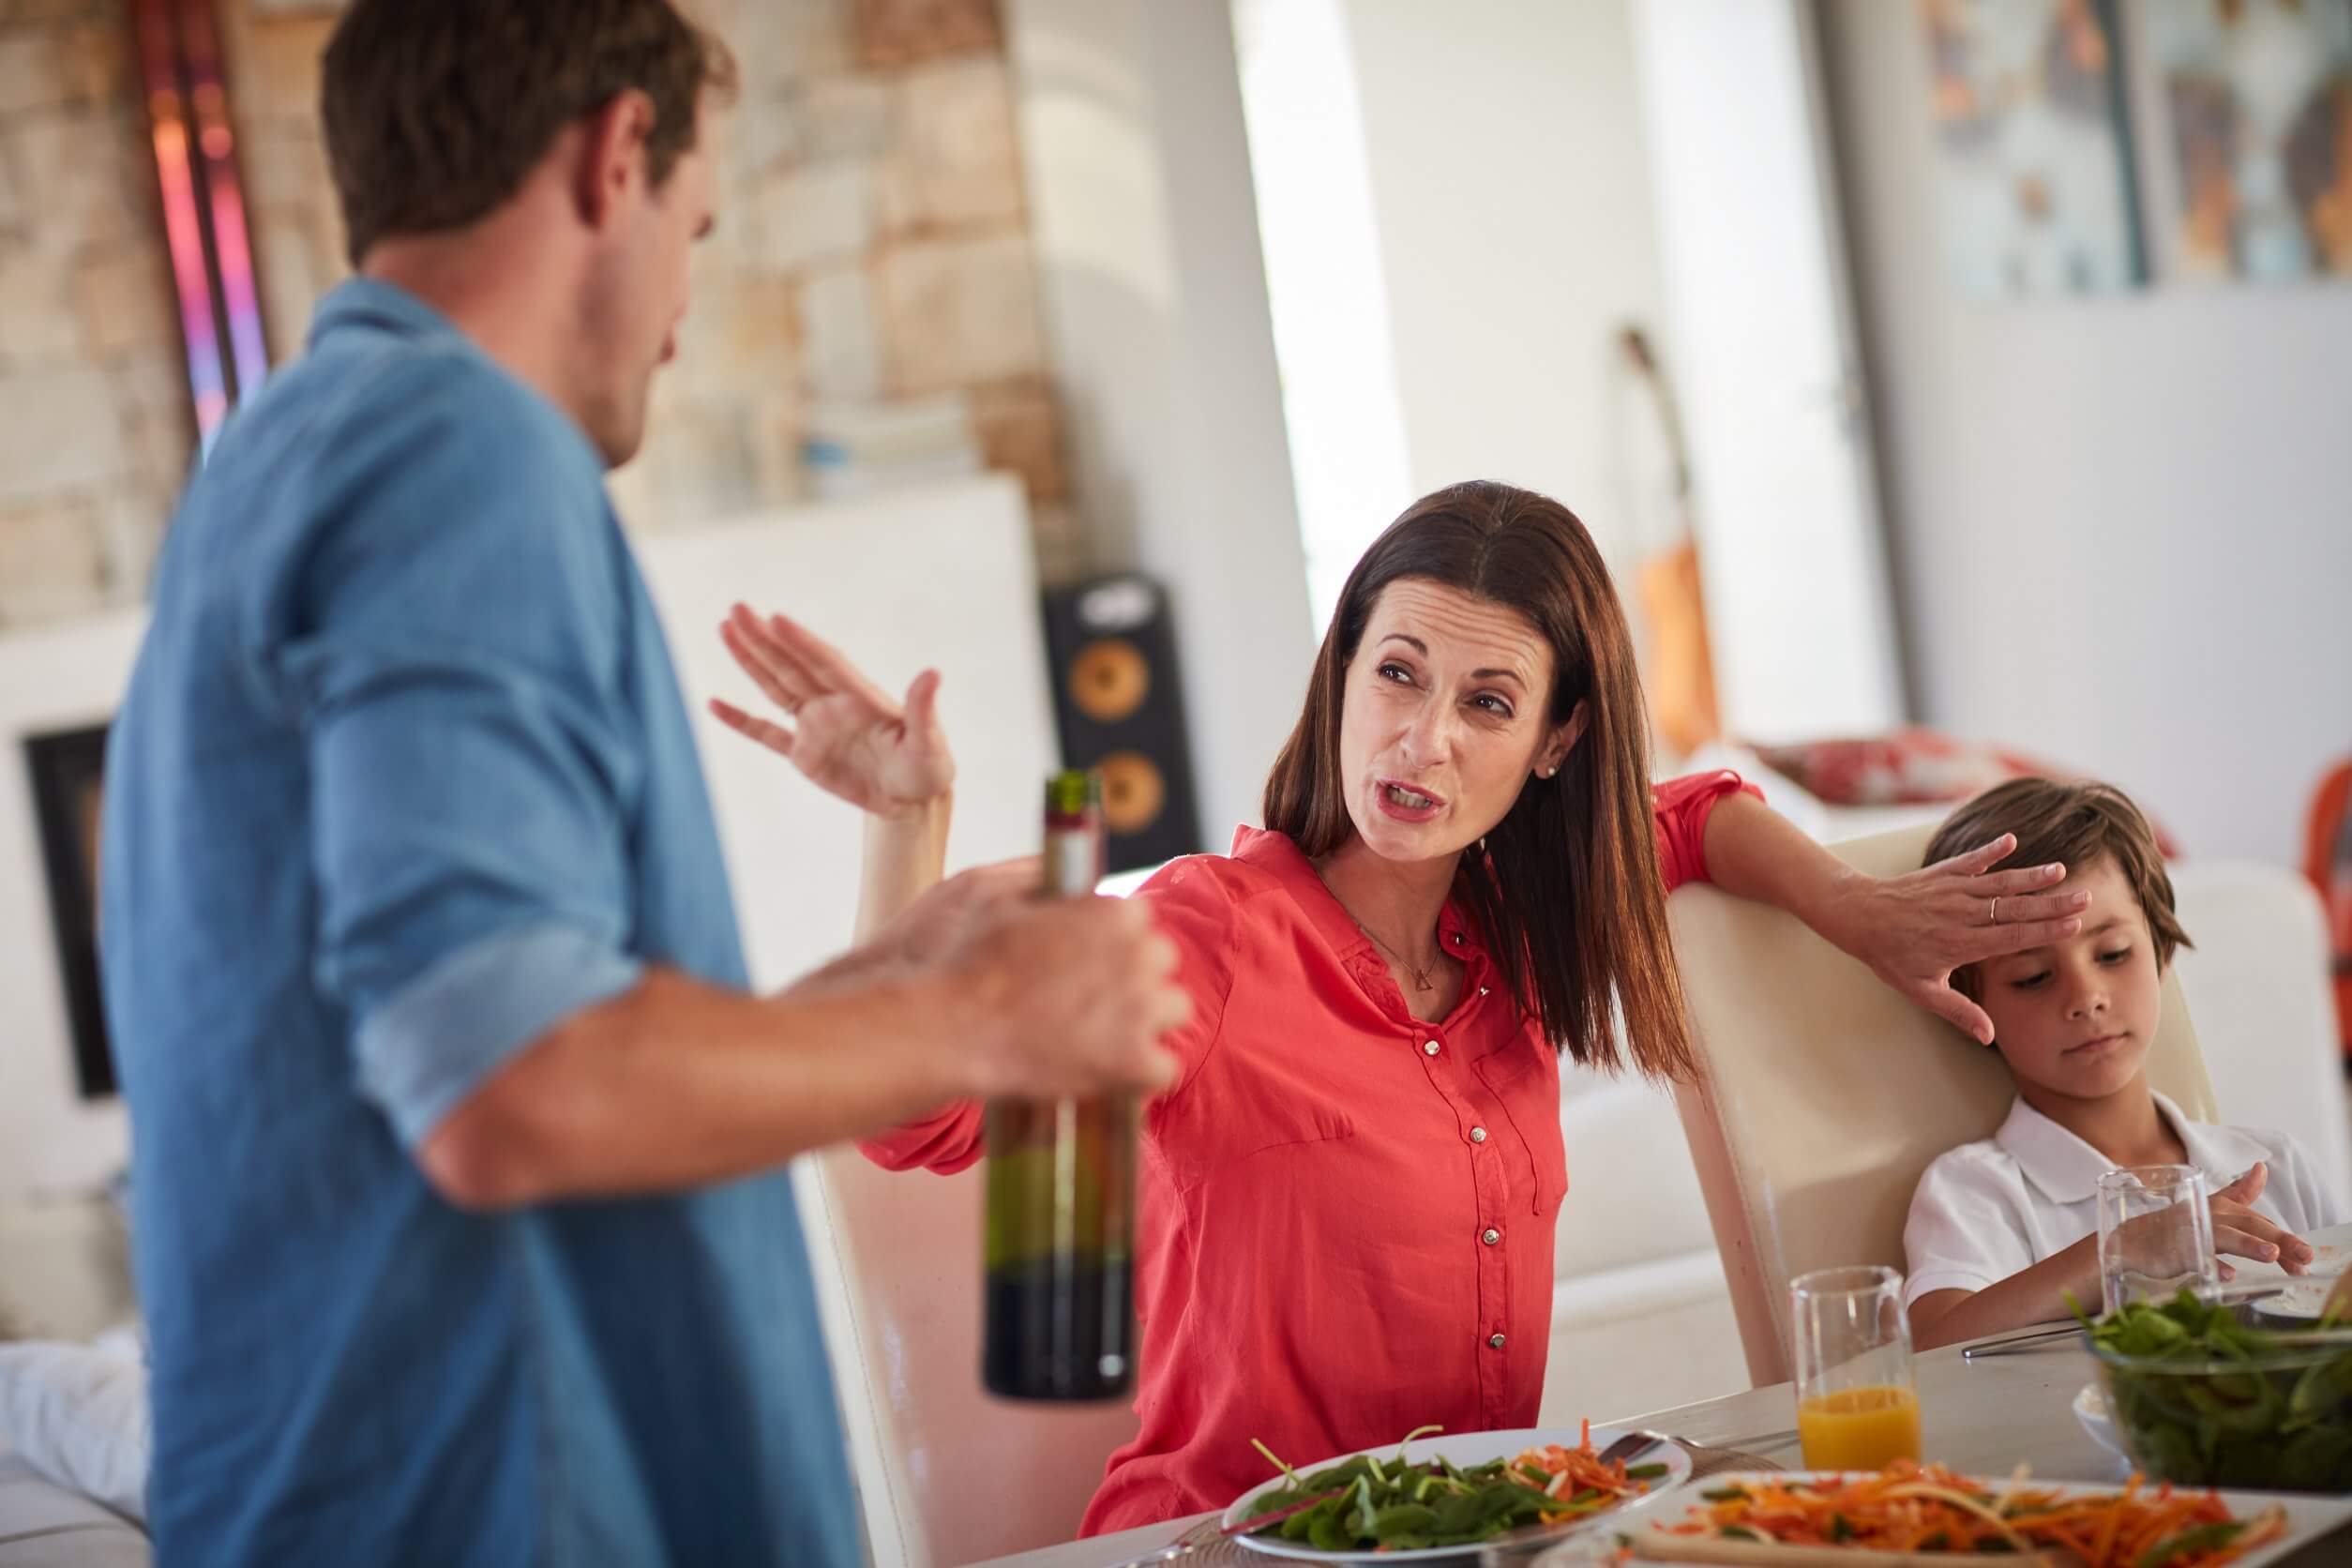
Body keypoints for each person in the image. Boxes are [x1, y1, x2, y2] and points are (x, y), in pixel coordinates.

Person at [96, 2, 1186, 1562]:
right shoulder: (456, 447)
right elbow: (505, 1084)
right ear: (615, 156)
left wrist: (886, 980)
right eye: (697, 226)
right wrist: (991, 1018)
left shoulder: (268, 468)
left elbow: (477, 1042)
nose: (683, 306)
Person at [713, 479, 2088, 1530]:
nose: (1423, 739)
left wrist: (1856, 909)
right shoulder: (1209, 934)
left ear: (1556, 740)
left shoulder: (1524, 927)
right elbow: (916, 1120)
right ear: (1344, 674)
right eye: (1398, 673)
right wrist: (908, 829)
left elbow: (1690, 812)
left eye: (1489, 703)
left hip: (1465, 1540)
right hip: (1219, 1550)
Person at [1903, 778, 2346, 1350]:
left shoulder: (2275, 1166)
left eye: (2112, 954)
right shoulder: (1977, 1191)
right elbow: (1932, 1351)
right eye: (2033, 978)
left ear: (2161, 949)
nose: (2086, 997)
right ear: (1969, 1004)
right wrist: (2122, 1249)